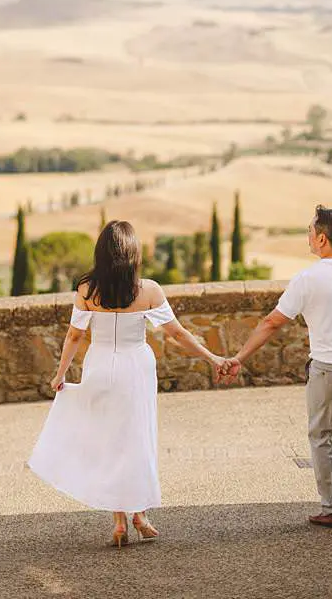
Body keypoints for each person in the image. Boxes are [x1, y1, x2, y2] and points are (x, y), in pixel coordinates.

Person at [27, 219, 229, 547]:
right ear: (133, 252)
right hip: (136, 368)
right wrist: (213, 358)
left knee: (110, 441)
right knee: (136, 439)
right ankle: (140, 515)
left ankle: (119, 521)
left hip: (100, 365)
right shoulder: (149, 290)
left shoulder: (87, 290)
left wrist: (60, 374)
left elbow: (75, 335)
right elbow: (177, 333)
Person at [219, 205, 332, 541]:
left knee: (322, 436)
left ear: (322, 238)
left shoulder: (306, 279)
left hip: (326, 372)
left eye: (310, 231)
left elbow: (272, 322)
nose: (308, 237)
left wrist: (240, 357)